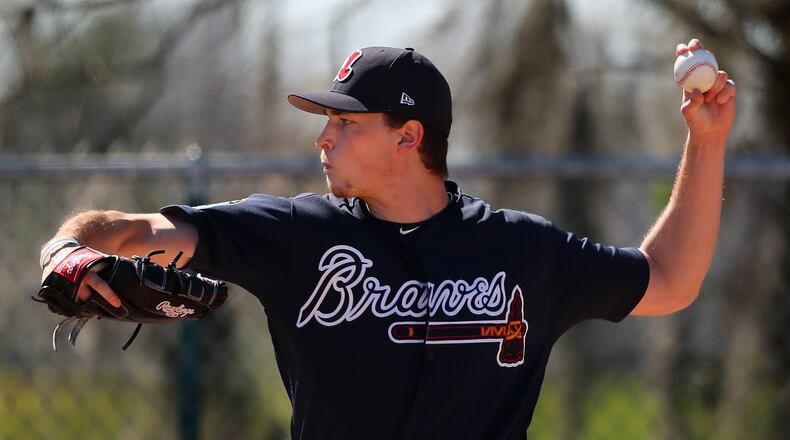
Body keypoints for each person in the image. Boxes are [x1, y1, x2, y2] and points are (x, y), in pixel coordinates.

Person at [40, 40, 736, 439]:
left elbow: (670, 279)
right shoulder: (293, 236)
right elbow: (138, 231)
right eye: (326, 121)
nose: (324, 137)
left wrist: (706, 143)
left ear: (409, 138)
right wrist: (69, 248)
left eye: (347, 123)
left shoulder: (524, 254)